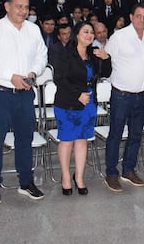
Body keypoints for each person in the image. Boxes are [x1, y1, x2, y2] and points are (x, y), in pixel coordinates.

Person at [0, 0, 48, 204]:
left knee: (25, 138)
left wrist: (34, 71)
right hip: (0, 94)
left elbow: (42, 55)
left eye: (26, 7)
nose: (23, 11)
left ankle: (26, 182)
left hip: (25, 93)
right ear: (7, 7)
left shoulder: (33, 30)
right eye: (19, 6)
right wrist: (10, 76)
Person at [54, 22, 111, 196]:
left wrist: (106, 58)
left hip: (88, 104)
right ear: (77, 34)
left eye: (91, 32)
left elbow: (105, 74)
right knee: (67, 140)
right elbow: (59, 79)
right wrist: (77, 94)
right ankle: (65, 177)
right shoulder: (66, 53)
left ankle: (79, 177)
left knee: (82, 140)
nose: (89, 35)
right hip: (68, 103)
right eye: (85, 32)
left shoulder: (93, 54)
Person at [103, 2, 144, 192]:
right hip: (122, 95)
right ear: (131, 17)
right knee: (115, 134)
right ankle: (111, 173)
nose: (141, 20)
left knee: (136, 134)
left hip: (142, 95)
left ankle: (129, 170)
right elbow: (106, 61)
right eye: (138, 16)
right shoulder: (119, 37)